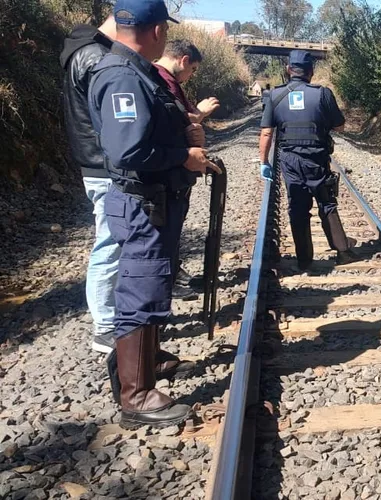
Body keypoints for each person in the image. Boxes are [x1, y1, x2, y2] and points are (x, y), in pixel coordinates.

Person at [88, 0, 219, 428]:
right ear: (158, 29)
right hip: (143, 202)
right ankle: (136, 396)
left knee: (151, 284)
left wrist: (184, 132)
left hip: (154, 202)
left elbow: (145, 133)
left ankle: (142, 370)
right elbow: (128, 150)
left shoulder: (139, 73)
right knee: (140, 293)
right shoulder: (123, 75)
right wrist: (185, 155)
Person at [258, 50, 358, 270]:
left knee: (297, 207)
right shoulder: (322, 94)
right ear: (311, 72)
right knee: (327, 203)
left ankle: (304, 260)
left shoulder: (275, 96)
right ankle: (343, 252)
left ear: (288, 70)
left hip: (290, 161)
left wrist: (264, 162)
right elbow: (340, 126)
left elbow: (266, 133)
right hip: (317, 159)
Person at [61, 16, 118, 353]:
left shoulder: (83, 51)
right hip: (103, 164)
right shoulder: (95, 56)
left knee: (111, 241)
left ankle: (111, 320)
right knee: (109, 244)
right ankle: (105, 327)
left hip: (95, 161)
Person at [153, 39, 220, 300]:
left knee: (173, 226)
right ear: (183, 60)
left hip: (177, 171)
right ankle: (165, 284)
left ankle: (173, 272)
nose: (191, 76)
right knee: (165, 230)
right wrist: (200, 114)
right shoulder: (160, 81)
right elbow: (177, 119)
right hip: (168, 170)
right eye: (193, 69)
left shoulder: (169, 82)